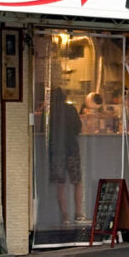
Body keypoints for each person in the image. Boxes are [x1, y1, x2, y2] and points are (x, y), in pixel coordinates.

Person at [49, 86, 85, 223]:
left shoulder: (50, 112)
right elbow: (78, 128)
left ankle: (65, 216)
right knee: (77, 182)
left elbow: (44, 130)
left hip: (57, 152)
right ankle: (79, 213)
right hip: (72, 149)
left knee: (60, 184)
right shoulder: (71, 110)